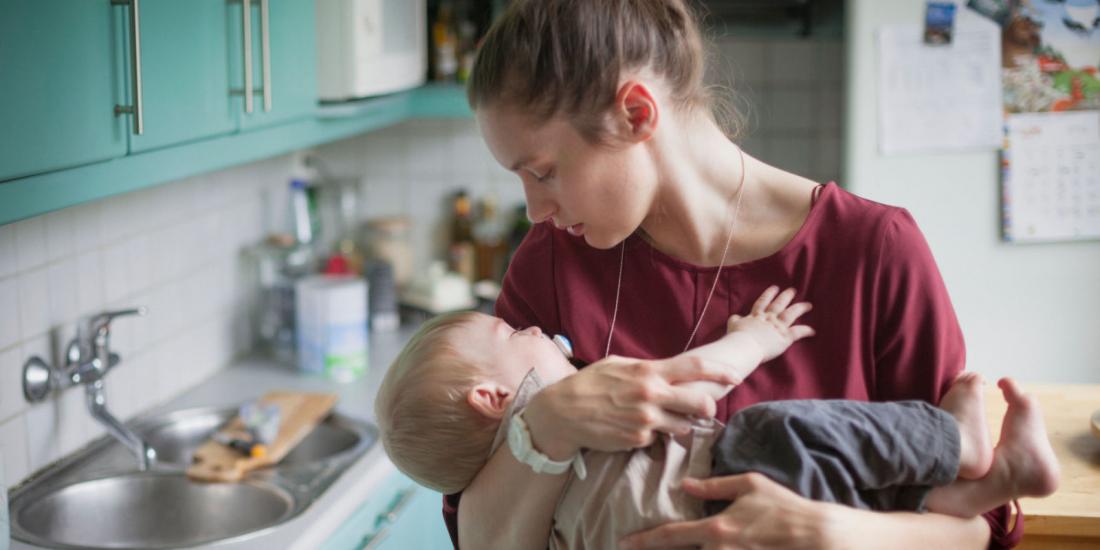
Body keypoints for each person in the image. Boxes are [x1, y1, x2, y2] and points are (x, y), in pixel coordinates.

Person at [454, 0, 1025, 548]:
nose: (534, 209)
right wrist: (547, 425)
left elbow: (977, 522)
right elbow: (478, 537)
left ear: (636, 114)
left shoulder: (874, 251)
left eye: (544, 172)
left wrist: (830, 535)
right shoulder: (550, 264)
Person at [375, 289, 1059, 549]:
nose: (533, 330)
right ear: (494, 398)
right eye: (512, 333)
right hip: (732, 477)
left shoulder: (535, 508)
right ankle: (959, 443)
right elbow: (697, 385)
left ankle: (987, 483)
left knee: (856, 490)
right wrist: (756, 338)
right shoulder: (585, 400)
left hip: (719, 531)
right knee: (776, 428)